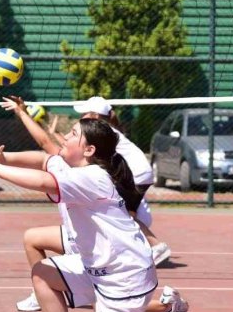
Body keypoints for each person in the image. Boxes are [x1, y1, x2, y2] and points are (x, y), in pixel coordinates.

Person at [0, 118, 233, 312]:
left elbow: (42, 182)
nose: (65, 136)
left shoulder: (94, 177)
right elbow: (44, 162)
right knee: (42, 272)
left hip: (124, 276)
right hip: (100, 269)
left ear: (89, 149)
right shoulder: (72, 168)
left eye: (73, 134)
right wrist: (6, 160)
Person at [3, 96, 188, 312]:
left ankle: (166, 302)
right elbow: (47, 151)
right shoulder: (82, 158)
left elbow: (46, 152)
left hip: (108, 248)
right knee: (34, 240)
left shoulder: (92, 168)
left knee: (98, 301)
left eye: (73, 132)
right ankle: (46, 299)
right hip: (102, 224)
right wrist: (5, 154)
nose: (67, 135)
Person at [72, 96, 171, 265]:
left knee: (122, 214)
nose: (82, 117)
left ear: (95, 116)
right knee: (126, 213)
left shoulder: (102, 133)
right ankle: (141, 248)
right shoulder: (105, 130)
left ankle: (156, 246)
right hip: (138, 173)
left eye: (85, 113)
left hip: (137, 174)